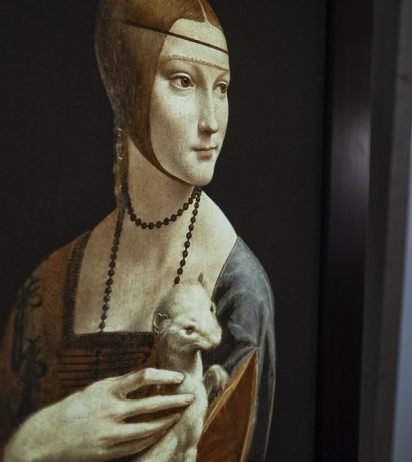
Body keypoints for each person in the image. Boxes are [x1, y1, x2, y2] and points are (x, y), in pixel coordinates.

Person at [0, 0, 275, 460]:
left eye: (222, 87)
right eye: (183, 81)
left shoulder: (238, 292)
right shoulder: (50, 284)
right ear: (128, 86)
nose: (211, 121)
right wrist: (36, 440)